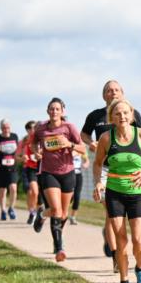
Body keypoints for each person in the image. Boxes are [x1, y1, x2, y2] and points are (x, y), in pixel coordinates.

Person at [93, 98, 141, 283]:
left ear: (131, 115)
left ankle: (140, 270)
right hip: (114, 193)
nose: (122, 116)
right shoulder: (106, 138)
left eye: (125, 113)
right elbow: (97, 164)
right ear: (111, 118)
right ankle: (124, 282)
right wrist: (98, 182)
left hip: (137, 193)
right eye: (117, 114)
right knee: (121, 240)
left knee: (138, 240)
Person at [81, 80, 141, 268]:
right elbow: (84, 135)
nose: (113, 93)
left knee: (118, 219)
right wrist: (91, 143)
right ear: (104, 95)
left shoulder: (132, 114)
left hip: (129, 171)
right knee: (110, 212)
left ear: (122, 93)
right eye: (109, 91)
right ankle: (117, 256)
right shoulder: (95, 115)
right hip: (105, 168)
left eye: (116, 90)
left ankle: (117, 247)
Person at [32, 98, 84, 262]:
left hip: (68, 172)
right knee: (56, 210)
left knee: (63, 213)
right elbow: (33, 143)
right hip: (49, 173)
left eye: (57, 109)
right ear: (48, 111)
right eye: (51, 109)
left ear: (62, 112)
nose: (54, 111)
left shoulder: (69, 128)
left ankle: (41, 214)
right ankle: (59, 248)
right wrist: (36, 152)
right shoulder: (41, 129)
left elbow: (82, 148)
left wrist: (69, 144)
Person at [0, 119, 20, 221]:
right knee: (2, 191)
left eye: (8, 127)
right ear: (1, 128)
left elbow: (18, 150)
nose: (6, 130)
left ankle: (11, 208)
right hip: (1, 169)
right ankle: (3, 211)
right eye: (4, 128)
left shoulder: (14, 136)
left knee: (13, 188)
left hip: (12, 167)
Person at [19, 120, 43, 224]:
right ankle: (32, 212)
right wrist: (24, 157)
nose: (33, 130)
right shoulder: (27, 141)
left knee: (40, 195)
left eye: (35, 128)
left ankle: (37, 213)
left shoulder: (43, 138)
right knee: (34, 191)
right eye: (31, 128)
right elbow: (22, 153)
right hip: (30, 168)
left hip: (42, 168)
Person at [68, 146, 88, 225]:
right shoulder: (68, 146)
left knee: (77, 196)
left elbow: (86, 160)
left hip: (78, 174)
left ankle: (73, 217)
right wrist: (76, 152)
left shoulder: (81, 149)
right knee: (70, 195)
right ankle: (63, 213)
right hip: (68, 174)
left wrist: (86, 164)